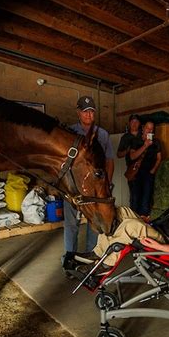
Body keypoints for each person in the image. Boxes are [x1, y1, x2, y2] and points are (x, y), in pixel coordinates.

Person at [74, 164, 169, 272]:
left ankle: (105, 265)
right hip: (157, 230)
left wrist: (160, 247)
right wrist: (148, 221)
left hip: (166, 242)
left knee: (130, 226)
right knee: (119, 211)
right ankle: (97, 252)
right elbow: (168, 216)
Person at [62, 95, 114, 260]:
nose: (89, 115)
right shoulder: (69, 132)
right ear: (78, 113)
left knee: (95, 222)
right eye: (85, 112)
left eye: (91, 112)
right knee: (71, 224)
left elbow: (109, 161)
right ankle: (70, 259)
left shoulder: (103, 135)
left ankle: (89, 257)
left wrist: (106, 184)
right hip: (73, 188)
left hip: (94, 189)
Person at [129, 121, 162, 221]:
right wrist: (145, 146)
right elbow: (132, 156)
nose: (150, 131)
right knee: (135, 197)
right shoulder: (136, 141)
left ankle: (143, 221)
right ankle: (133, 220)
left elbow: (159, 158)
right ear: (143, 128)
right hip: (136, 173)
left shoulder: (156, 142)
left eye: (152, 129)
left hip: (149, 174)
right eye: (148, 128)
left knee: (146, 198)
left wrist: (153, 170)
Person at [117, 114, 141, 207]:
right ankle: (134, 217)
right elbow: (119, 154)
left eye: (136, 122)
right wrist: (127, 151)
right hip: (132, 170)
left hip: (145, 168)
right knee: (134, 195)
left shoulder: (143, 135)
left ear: (139, 123)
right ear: (129, 123)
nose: (134, 124)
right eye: (132, 122)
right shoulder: (125, 137)